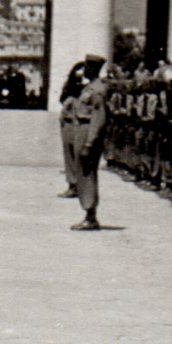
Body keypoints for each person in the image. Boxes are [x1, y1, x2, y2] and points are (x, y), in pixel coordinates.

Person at [69, 54, 109, 230]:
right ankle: (88, 213)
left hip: (88, 133)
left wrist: (89, 143)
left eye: (86, 67)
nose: (84, 70)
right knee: (83, 172)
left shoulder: (97, 89)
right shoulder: (89, 87)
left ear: (93, 68)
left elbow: (98, 118)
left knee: (87, 173)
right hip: (81, 130)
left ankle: (90, 216)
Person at [57, 61, 87, 198]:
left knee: (79, 154)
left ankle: (79, 185)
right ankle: (73, 185)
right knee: (69, 153)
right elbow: (62, 98)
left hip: (80, 121)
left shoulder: (89, 88)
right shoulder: (69, 86)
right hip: (69, 120)